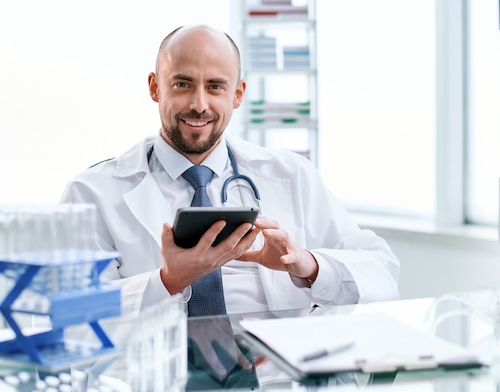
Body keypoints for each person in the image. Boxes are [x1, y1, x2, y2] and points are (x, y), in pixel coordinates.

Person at [60, 24, 400, 316]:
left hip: (277, 378)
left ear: (237, 94)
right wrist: (167, 281)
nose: (199, 104)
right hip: (156, 378)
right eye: (182, 84)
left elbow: (382, 273)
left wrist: (306, 264)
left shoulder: (291, 175)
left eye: (215, 86)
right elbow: (68, 312)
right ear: (154, 87)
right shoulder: (92, 193)